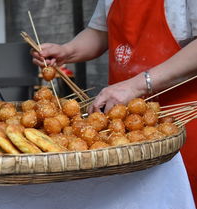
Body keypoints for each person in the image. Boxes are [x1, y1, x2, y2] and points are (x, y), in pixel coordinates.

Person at [31, 0, 197, 203]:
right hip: (118, 127)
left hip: (183, 117)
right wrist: (68, 50)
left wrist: (138, 85)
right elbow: (100, 33)